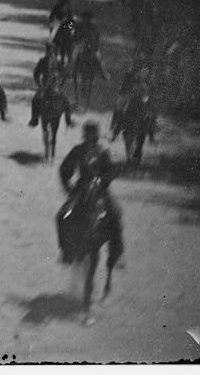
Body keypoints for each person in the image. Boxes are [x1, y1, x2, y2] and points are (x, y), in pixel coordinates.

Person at [56, 121, 123, 263]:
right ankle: (66, 250)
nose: (90, 137)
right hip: (81, 189)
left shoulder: (103, 151)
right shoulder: (78, 151)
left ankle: (116, 250)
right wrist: (68, 186)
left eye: (92, 134)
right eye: (88, 134)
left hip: (101, 190)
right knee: (62, 216)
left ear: (96, 135)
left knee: (115, 213)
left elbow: (113, 169)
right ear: (84, 135)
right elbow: (65, 169)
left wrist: (103, 180)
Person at [29, 40, 70, 127]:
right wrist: (39, 83)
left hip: (55, 84)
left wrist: (61, 83)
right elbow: (36, 73)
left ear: (54, 51)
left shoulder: (58, 62)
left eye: (51, 50)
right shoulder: (42, 61)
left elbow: (64, 74)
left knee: (65, 100)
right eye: (48, 50)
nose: (50, 52)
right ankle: (34, 118)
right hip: (45, 84)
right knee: (35, 99)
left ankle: (68, 119)